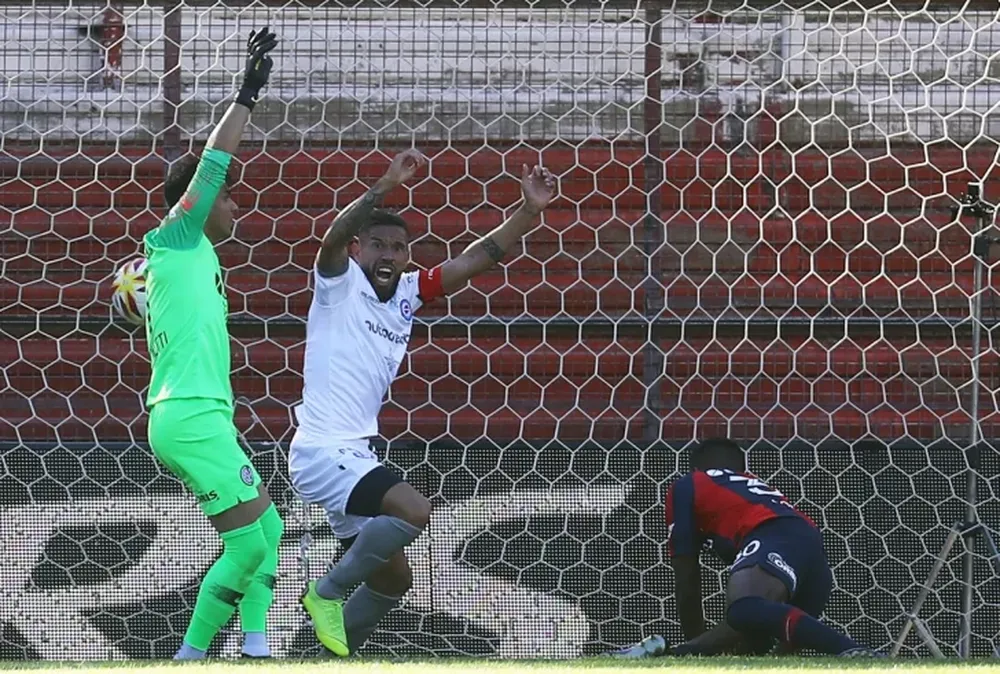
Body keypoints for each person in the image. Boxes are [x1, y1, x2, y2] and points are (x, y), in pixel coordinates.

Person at [289, 150, 557, 656]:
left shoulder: (408, 293)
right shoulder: (339, 283)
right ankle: (325, 592)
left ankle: (322, 662)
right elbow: (330, 240)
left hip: (354, 453)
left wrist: (528, 211)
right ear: (358, 249)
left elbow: (475, 259)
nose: (388, 255)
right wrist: (384, 186)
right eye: (378, 245)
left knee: (394, 580)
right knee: (414, 510)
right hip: (322, 450)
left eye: (399, 248)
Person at [143, 27, 284, 660]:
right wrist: (246, 94)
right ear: (198, 201)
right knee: (247, 544)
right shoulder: (175, 237)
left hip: (203, 414)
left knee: (269, 529)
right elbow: (212, 164)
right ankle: (192, 656)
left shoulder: (190, 259)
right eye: (229, 198)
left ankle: (255, 646)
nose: (235, 208)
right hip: (190, 414)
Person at [614, 437, 878, 658]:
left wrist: (694, 648)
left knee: (744, 610)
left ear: (696, 468)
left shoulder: (689, 484)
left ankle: (852, 650)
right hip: (813, 554)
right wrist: (692, 650)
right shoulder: (757, 488)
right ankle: (679, 653)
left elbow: (687, 577)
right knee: (754, 643)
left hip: (772, 534)